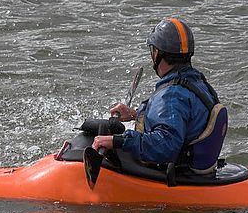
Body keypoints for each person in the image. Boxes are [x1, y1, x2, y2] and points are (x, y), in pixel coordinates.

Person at [92, 17, 226, 173]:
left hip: (176, 172)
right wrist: (136, 115)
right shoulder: (196, 82)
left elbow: (166, 145)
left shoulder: (171, 95)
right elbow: (183, 120)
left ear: (157, 54)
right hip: (198, 165)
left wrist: (118, 141)